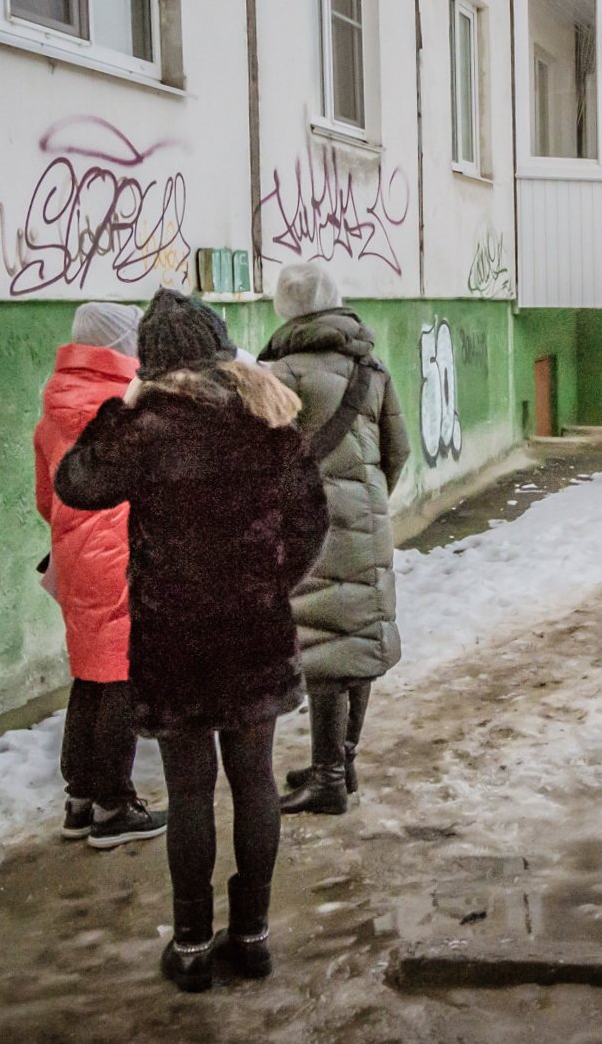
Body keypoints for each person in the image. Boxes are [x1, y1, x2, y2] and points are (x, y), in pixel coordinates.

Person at [55, 289, 329, 993]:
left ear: (155, 360)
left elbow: (76, 480)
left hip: (175, 642)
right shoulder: (268, 414)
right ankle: (255, 935)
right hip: (253, 635)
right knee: (255, 778)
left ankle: (191, 945)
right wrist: (269, 582)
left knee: (191, 791)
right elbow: (311, 522)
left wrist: (121, 402)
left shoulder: (144, 426)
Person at [259, 263, 409, 817]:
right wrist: (368, 502)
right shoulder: (370, 366)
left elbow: (260, 464)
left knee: (323, 644)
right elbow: (399, 451)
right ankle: (342, 761)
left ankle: (326, 778)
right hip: (368, 522)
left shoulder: (277, 376)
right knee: (359, 638)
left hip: (311, 529)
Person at [33, 302, 165, 849]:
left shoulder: (53, 410)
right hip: (121, 552)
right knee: (118, 678)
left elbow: (47, 497)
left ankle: (80, 799)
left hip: (72, 557)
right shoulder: (124, 406)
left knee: (90, 674)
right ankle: (114, 806)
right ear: (120, 347)